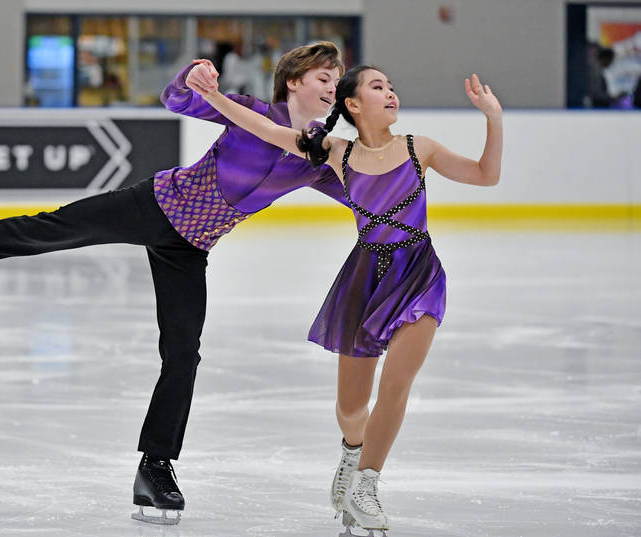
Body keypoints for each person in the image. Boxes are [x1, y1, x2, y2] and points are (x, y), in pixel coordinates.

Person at [0, 41, 350, 525]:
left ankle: (155, 468)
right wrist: (192, 75)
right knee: (50, 228)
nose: (332, 88)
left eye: (336, 81)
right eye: (322, 79)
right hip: (153, 206)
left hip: (190, 249)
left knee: (183, 353)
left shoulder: (314, 156)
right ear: (294, 81)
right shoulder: (248, 110)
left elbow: (363, 191)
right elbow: (177, 100)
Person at [192, 64, 502, 535]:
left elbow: (486, 176)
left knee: (396, 385)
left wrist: (493, 118)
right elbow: (266, 128)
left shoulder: (420, 148)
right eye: (379, 87)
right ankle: (352, 451)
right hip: (364, 278)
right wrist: (213, 97)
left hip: (418, 273)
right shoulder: (335, 153)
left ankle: (367, 485)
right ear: (353, 104)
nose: (391, 93)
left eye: (393, 87)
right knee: (352, 407)